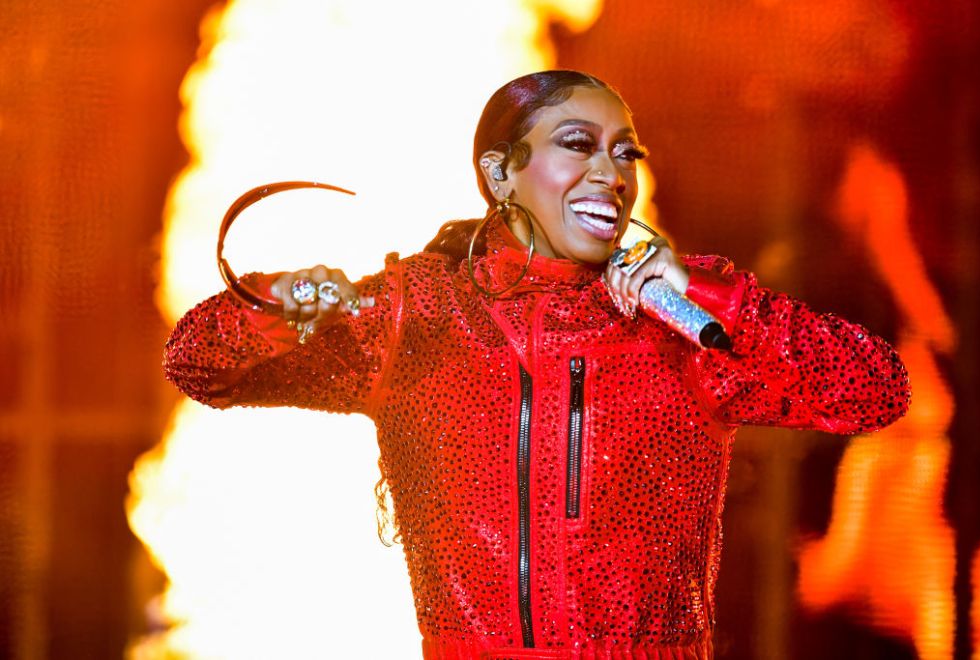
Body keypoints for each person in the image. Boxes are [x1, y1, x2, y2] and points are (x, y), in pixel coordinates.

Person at [164, 70, 910, 659]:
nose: (612, 172)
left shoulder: (679, 325)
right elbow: (201, 361)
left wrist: (707, 293)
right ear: (500, 175)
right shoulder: (418, 316)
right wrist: (297, 296)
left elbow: (874, 390)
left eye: (626, 152)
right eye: (579, 145)